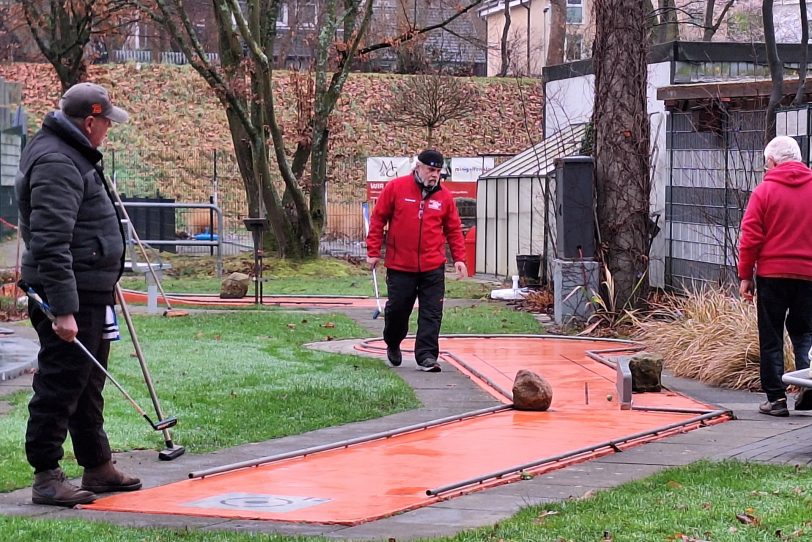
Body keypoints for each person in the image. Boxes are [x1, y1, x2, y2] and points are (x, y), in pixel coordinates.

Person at [16, 82, 141, 506]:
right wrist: (64, 309)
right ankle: (46, 475)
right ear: (90, 122)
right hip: (68, 292)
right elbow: (51, 243)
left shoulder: (73, 152)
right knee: (61, 383)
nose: (108, 129)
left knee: (88, 382)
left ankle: (97, 464)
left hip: (89, 286)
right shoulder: (57, 160)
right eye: (106, 122)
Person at [366, 149, 467, 372]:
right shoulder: (396, 188)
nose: (435, 175)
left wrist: (459, 258)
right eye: (431, 170)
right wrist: (373, 252)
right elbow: (378, 219)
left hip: (433, 266)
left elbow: (453, 229)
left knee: (432, 312)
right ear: (418, 167)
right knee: (398, 311)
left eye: (439, 171)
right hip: (400, 265)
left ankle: (427, 356)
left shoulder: (444, 197)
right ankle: (392, 341)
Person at [738, 135, 812, 417]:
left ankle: (776, 400)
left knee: (771, 335)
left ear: (771, 161)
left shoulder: (764, 191)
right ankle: (807, 385)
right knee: (805, 332)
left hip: (772, 275)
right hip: (808, 275)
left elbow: (751, 237)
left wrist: (746, 275)